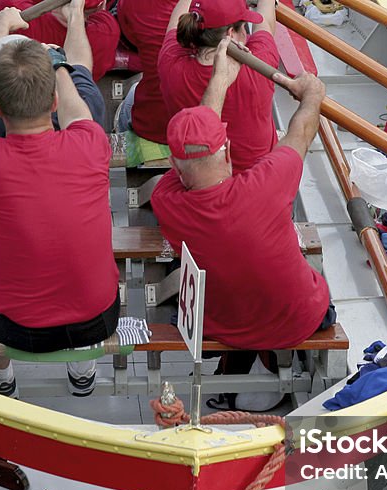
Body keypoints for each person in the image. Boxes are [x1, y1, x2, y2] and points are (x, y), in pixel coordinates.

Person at [0, 5, 120, 398]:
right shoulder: (91, 143)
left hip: (15, 327)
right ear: (54, 103)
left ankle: (1, 379)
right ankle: (83, 372)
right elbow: (79, 110)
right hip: (98, 319)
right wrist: (57, 62)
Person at [151, 39, 334, 392]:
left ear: (173, 164)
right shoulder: (268, 182)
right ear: (229, 149)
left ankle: (241, 366)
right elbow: (301, 131)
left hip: (220, 327)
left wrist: (219, 81)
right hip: (301, 319)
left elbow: (195, 148)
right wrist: (311, 94)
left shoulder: (166, 201)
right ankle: (265, 364)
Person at [158, 0, 279, 174]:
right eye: (243, 27)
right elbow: (265, 23)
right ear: (231, 33)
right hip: (256, 178)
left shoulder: (170, 61)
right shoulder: (260, 63)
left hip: (199, 178)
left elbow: (175, 19)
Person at [0, 0, 106, 137]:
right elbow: (78, 62)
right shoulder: (87, 138)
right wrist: (75, 12)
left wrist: (1, 27)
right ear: (55, 102)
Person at [0, 0, 119, 79]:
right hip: (78, 100)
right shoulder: (108, 30)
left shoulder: (11, 8)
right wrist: (75, 14)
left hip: (21, 93)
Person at [115, 0, 178, 143]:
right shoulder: (219, 8)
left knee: (130, 99)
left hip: (151, 124)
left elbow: (133, 40)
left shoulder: (130, 4)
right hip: (207, 130)